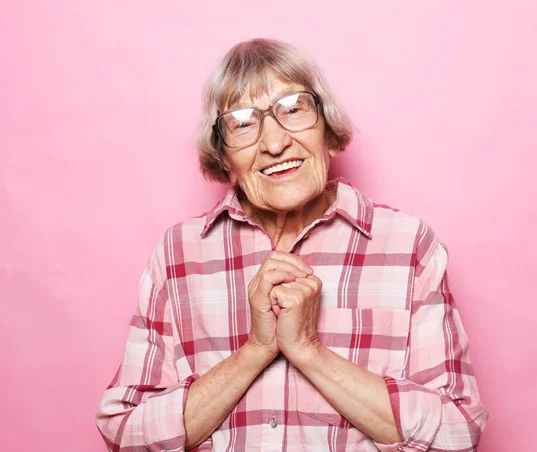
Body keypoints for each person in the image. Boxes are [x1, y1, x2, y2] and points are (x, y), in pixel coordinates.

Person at [96, 38, 488, 451]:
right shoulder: (179, 254)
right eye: (243, 123)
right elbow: (125, 433)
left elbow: (457, 434)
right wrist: (257, 349)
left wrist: (307, 350)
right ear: (224, 158)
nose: (274, 143)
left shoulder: (407, 245)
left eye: (294, 109)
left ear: (329, 131)